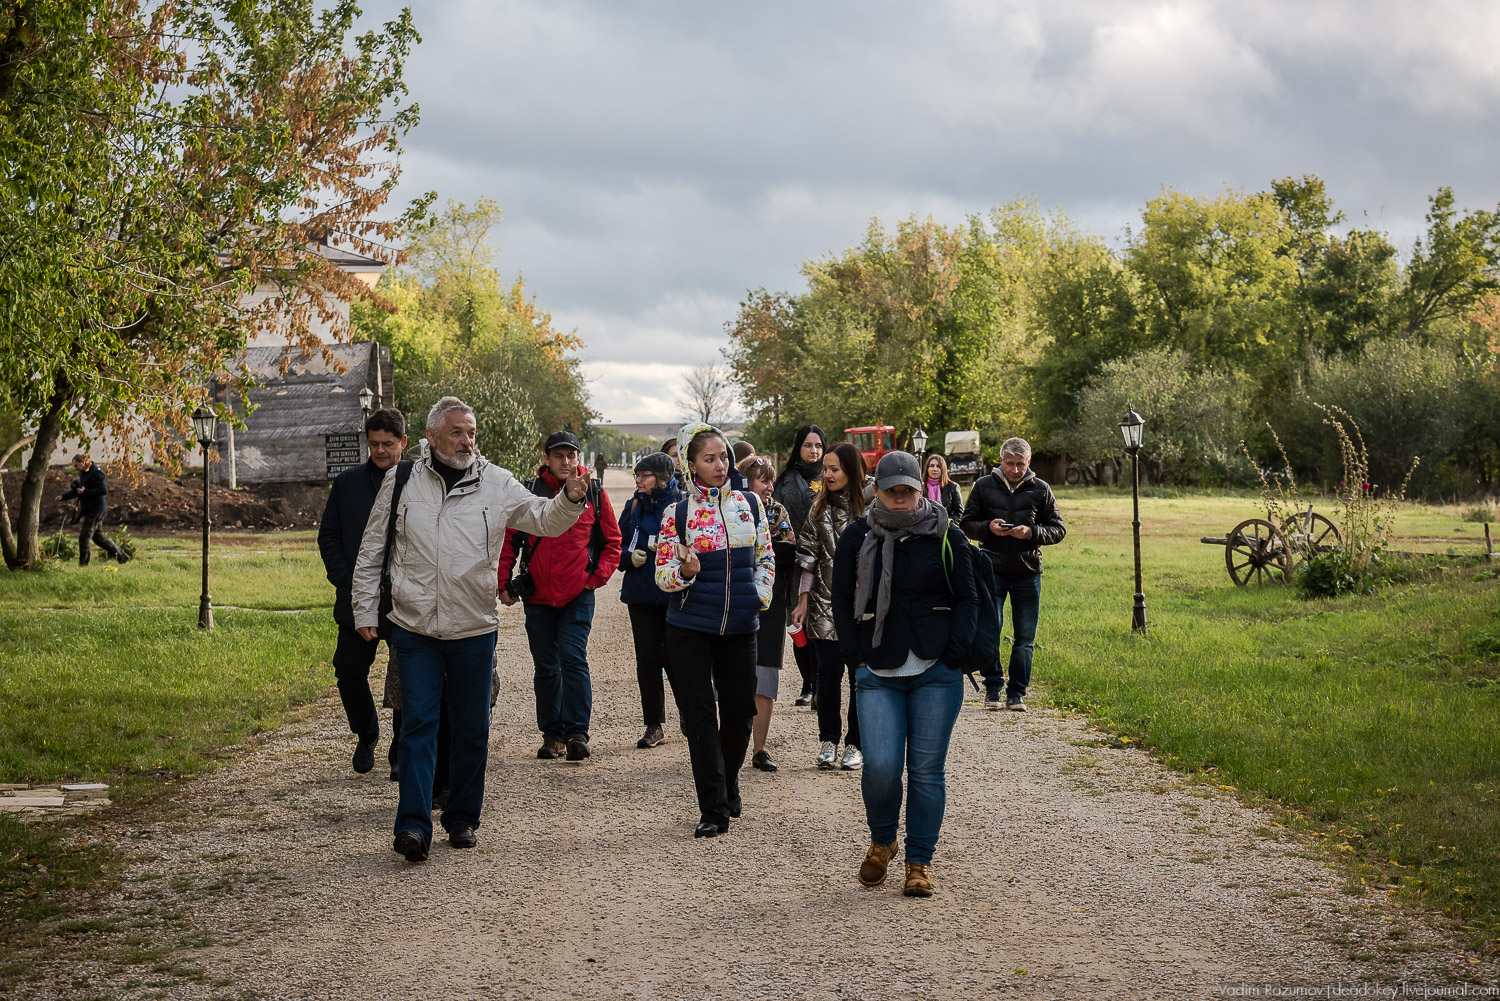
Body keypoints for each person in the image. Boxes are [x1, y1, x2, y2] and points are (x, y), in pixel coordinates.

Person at [352, 397, 591, 863]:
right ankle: (413, 826)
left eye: (471, 432)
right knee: (418, 725)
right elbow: (372, 547)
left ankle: (461, 817)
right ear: (431, 437)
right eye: (458, 432)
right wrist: (364, 609)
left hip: (474, 627)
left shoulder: (497, 482)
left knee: (471, 729)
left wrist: (571, 499)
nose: (467, 440)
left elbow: (544, 519)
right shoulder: (400, 481)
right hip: (415, 627)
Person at [832, 451, 977, 898]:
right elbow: (839, 599)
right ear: (876, 489)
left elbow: (969, 599)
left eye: (907, 491)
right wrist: (855, 657)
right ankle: (883, 840)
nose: (899, 499)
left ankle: (919, 862)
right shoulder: (856, 537)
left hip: (936, 668)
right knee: (880, 767)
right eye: (891, 490)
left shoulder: (946, 534)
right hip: (877, 666)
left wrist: (955, 655)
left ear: (920, 490)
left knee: (927, 770)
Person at [655, 423, 774, 838]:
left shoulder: (750, 505)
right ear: (691, 465)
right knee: (702, 716)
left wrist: (758, 596)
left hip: (741, 626)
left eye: (723, 457)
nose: (720, 465)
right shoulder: (678, 513)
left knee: (740, 712)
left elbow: (766, 558)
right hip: (688, 627)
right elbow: (663, 577)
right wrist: (684, 573)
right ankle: (713, 808)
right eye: (709, 459)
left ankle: (728, 780)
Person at [318, 407, 435, 779]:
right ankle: (366, 732)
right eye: (373, 444)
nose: (380, 451)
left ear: (403, 442)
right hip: (359, 595)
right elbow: (329, 537)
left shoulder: (421, 483)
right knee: (348, 668)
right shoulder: (347, 484)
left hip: (406, 597)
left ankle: (402, 751)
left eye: (387, 444)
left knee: (408, 677)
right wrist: (350, 582)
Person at [498, 431, 622, 762]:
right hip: (537, 596)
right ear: (547, 459)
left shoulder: (594, 492)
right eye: (558, 456)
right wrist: (503, 582)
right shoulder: (529, 493)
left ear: (578, 459)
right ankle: (552, 735)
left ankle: (577, 733)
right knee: (546, 667)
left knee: (572, 657)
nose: (565, 462)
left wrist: (595, 578)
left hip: (577, 594)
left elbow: (612, 541)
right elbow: (510, 539)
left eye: (571, 456)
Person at [959, 436, 1066, 712]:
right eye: (1010, 464)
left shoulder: (1041, 489)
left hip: (1027, 570)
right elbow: (966, 524)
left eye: (1020, 464)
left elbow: (1058, 529)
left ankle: (1017, 692)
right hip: (991, 569)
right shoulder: (983, 486)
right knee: (989, 630)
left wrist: (1032, 532)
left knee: (1025, 638)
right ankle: (993, 687)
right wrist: (988, 528)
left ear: (1028, 463)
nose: (1015, 469)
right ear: (1001, 461)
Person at [793, 441, 867, 771]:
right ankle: (828, 741)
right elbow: (808, 558)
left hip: (862, 608)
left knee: (860, 677)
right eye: (826, 469)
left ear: (851, 470)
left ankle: (855, 743)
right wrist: (803, 600)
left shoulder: (871, 510)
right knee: (828, 676)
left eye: (834, 468)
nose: (828, 474)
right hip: (823, 604)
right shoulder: (818, 509)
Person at [616, 451, 681, 750]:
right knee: (648, 660)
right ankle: (653, 725)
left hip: (676, 594)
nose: (639, 481)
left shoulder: (682, 504)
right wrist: (629, 558)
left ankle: (692, 716)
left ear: (662, 478)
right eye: (637, 476)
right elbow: (614, 544)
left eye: (644, 476)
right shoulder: (633, 506)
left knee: (680, 658)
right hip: (641, 594)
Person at [738, 455, 795, 773]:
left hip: (771, 603)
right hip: (735, 601)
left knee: (766, 676)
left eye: (771, 480)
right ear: (745, 481)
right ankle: (729, 742)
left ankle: (760, 749)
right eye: (763, 480)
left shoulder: (776, 511)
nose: (770, 486)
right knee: (733, 675)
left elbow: (789, 546)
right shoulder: (730, 509)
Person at [773, 424, 825, 706]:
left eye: (818, 445)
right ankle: (807, 682)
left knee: (823, 624)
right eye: (808, 445)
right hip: (793, 564)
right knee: (798, 624)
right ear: (798, 448)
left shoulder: (830, 475)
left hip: (825, 562)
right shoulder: (785, 481)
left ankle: (821, 684)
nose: (813, 450)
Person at [57, 453, 127, 565]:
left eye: (76, 465)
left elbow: (103, 490)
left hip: (96, 510)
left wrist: (86, 492)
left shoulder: (96, 473)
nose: (75, 468)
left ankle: (83, 565)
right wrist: (64, 497)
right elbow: (79, 490)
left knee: (84, 537)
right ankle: (122, 556)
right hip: (91, 510)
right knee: (98, 538)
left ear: (83, 462)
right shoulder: (84, 473)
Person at [922, 454, 964, 520]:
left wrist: (946, 523)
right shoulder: (921, 487)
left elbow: (959, 513)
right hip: (925, 526)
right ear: (927, 469)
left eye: (938, 466)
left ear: (943, 469)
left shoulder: (953, 487)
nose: (935, 469)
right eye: (932, 466)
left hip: (947, 526)